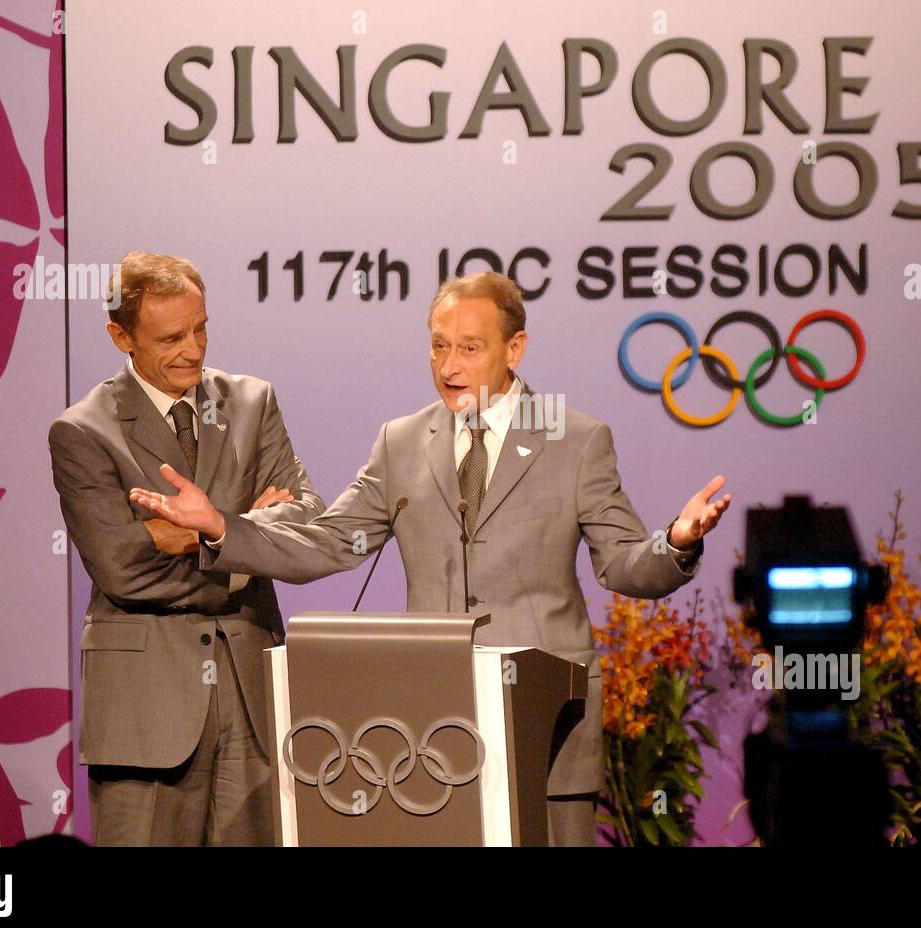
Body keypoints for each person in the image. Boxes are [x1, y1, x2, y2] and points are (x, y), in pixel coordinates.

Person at [130, 271, 730, 846]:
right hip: (434, 724)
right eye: (439, 346)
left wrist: (676, 539)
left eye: (470, 347)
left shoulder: (575, 440)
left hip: (546, 719)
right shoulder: (403, 441)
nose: (449, 366)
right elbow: (333, 540)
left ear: (514, 348)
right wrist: (220, 528)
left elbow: (624, 564)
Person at [48, 251, 324, 845]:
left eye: (201, 328)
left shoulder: (252, 402)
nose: (194, 350)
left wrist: (197, 531)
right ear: (120, 335)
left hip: (250, 694)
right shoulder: (82, 431)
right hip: (147, 708)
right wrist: (245, 531)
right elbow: (122, 570)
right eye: (172, 337)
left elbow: (306, 529)